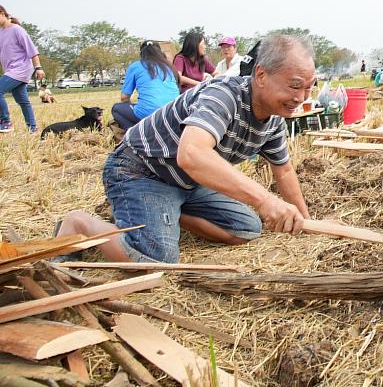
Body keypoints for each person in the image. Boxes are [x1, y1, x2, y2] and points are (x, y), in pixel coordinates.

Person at [55, 35, 317, 264]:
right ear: (261, 75)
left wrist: (306, 223)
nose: (301, 97)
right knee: (156, 257)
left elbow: (283, 170)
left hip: (188, 182)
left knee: (246, 228)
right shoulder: (223, 96)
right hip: (141, 170)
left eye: (308, 87)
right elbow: (192, 154)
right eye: (294, 86)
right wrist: (265, 200)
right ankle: (81, 223)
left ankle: (163, 213)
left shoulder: (273, 121)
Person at [111, 40, 180, 131]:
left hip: (149, 113)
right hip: (174, 113)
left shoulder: (136, 66)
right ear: (160, 52)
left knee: (116, 108)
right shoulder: (169, 67)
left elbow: (124, 98)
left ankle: (135, 134)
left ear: (142, 54)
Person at [0, 5, 44, 133]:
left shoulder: (17, 30)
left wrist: (38, 67)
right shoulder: (1, 32)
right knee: (23, 101)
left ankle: (5, 122)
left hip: (21, 69)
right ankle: (33, 128)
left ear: (2, 13)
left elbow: (32, 49)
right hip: (11, 70)